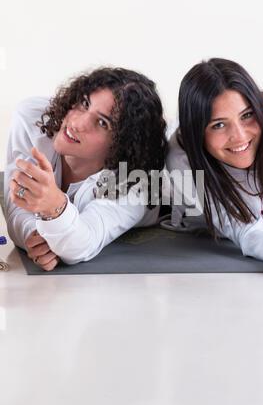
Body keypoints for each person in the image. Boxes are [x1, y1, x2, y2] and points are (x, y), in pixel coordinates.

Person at [5, 67, 167, 270]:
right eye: (84, 103)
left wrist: (55, 209)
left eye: (102, 122)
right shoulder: (33, 120)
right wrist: (34, 237)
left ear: (122, 144)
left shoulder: (134, 184)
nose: (76, 123)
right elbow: (16, 204)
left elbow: (82, 244)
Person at [166, 58, 263, 266]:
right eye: (218, 125)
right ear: (198, 134)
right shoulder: (182, 157)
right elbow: (248, 232)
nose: (239, 136)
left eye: (246, 115)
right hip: (178, 217)